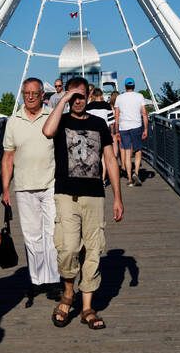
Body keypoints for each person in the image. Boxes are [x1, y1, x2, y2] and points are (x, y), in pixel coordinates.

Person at [43, 77, 123, 331]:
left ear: (89, 96)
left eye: (82, 96)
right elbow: (47, 131)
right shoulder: (61, 121)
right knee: (67, 248)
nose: (78, 101)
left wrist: (118, 197)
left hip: (94, 196)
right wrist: (64, 100)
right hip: (67, 195)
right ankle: (68, 294)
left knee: (93, 251)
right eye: (73, 96)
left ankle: (87, 306)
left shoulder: (99, 124)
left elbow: (109, 159)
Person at [1, 78, 61, 307]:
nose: (31, 96)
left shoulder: (52, 116)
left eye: (35, 93)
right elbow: (8, 156)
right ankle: (37, 280)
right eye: (27, 93)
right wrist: (5, 187)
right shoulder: (13, 121)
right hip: (24, 185)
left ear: (42, 95)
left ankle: (53, 279)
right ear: (22, 95)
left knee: (52, 235)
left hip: (50, 183)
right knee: (32, 235)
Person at [113, 78, 149, 187]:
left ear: (125, 87)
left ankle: (129, 179)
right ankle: (136, 173)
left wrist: (117, 130)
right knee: (137, 151)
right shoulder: (139, 97)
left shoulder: (119, 98)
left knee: (127, 153)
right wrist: (146, 129)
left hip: (124, 127)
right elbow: (144, 113)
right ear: (134, 86)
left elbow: (116, 115)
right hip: (136, 126)